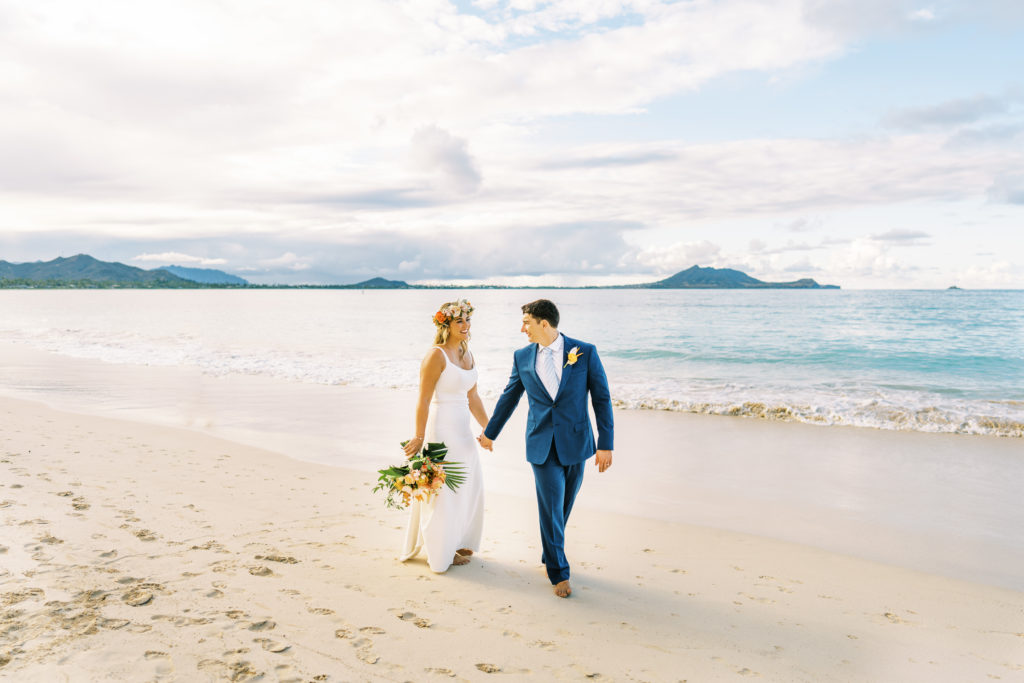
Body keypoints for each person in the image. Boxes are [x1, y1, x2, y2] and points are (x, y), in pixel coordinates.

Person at [479, 299, 613, 598]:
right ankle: (558, 572)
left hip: (577, 442)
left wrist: (606, 444)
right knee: (550, 507)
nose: (522, 328)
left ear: (544, 323)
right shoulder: (522, 356)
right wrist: (490, 433)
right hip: (541, 443)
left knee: (563, 507)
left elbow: (601, 399)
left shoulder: (584, 351)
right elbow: (509, 397)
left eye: (527, 322)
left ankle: (549, 551)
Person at [399, 299, 488, 572]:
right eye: (459, 321)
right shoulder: (435, 355)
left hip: (463, 430)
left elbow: (473, 397)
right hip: (442, 430)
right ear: (445, 325)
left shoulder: (467, 354)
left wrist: (489, 429)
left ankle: (459, 540)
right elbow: (423, 399)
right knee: (445, 490)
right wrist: (418, 435)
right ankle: (441, 551)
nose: (465, 325)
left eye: (467, 320)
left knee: (469, 485)